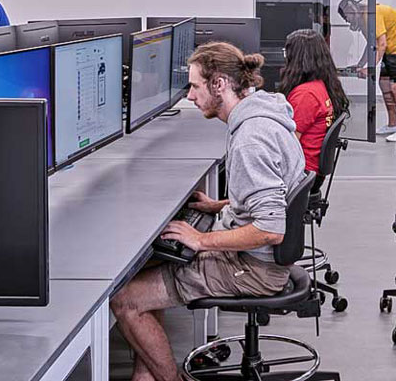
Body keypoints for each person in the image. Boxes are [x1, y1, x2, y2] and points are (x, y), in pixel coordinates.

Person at [110, 42, 307, 381]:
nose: (189, 96)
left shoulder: (251, 138)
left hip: (255, 268)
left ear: (219, 85)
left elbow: (271, 229)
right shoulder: (262, 114)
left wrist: (201, 239)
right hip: (261, 258)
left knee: (126, 298)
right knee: (157, 262)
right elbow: (273, 197)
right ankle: (147, 374)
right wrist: (219, 206)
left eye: (195, 86)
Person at [337, 0, 396, 143]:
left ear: (352, 10)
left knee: (395, 87)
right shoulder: (363, 19)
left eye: (347, 17)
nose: (348, 21)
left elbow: (381, 44)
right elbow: (371, 44)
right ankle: (393, 124)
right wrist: (360, 64)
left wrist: (370, 68)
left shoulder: (372, 15)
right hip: (393, 50)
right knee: (383, 83)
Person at [280, 28, 350, 174]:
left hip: (301, 172)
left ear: (297, 58)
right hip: (312, 171)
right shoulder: (320, 86)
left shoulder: (306, 95)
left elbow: (288, 144)